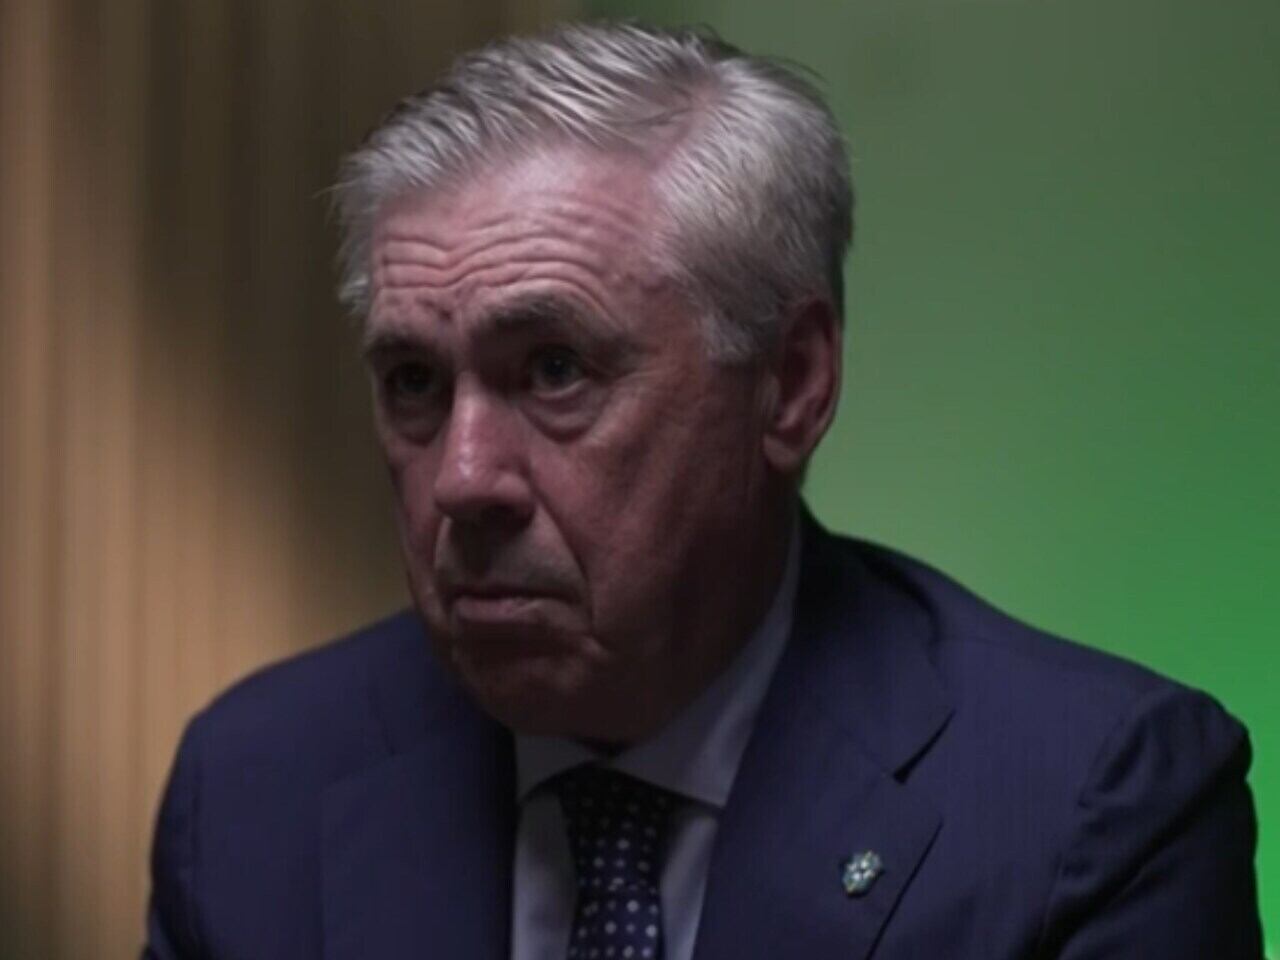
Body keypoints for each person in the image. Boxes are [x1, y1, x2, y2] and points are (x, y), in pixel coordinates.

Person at [143, 22, 1264, 959]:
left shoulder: (1089, 808)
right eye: (412, 383)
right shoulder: (252, 791)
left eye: (555, 370)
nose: (463, 478)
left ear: (790, 385)